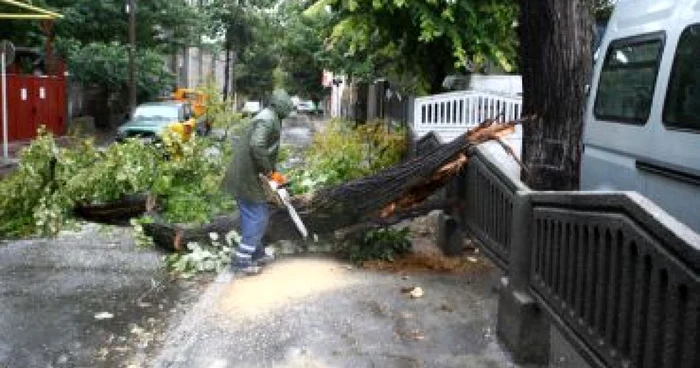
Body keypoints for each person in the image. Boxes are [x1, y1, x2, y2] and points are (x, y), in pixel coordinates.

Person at [221, 89, 294, 277]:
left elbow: (266, 149)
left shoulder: (269, 116)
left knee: (255, 216)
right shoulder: (267, 119)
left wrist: (274, 173)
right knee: (257, 217)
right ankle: (241, 261)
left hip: (248, 176)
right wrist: (269, 171)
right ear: (282, 106)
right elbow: (257, 145)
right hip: (248, 178)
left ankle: (257, 253)